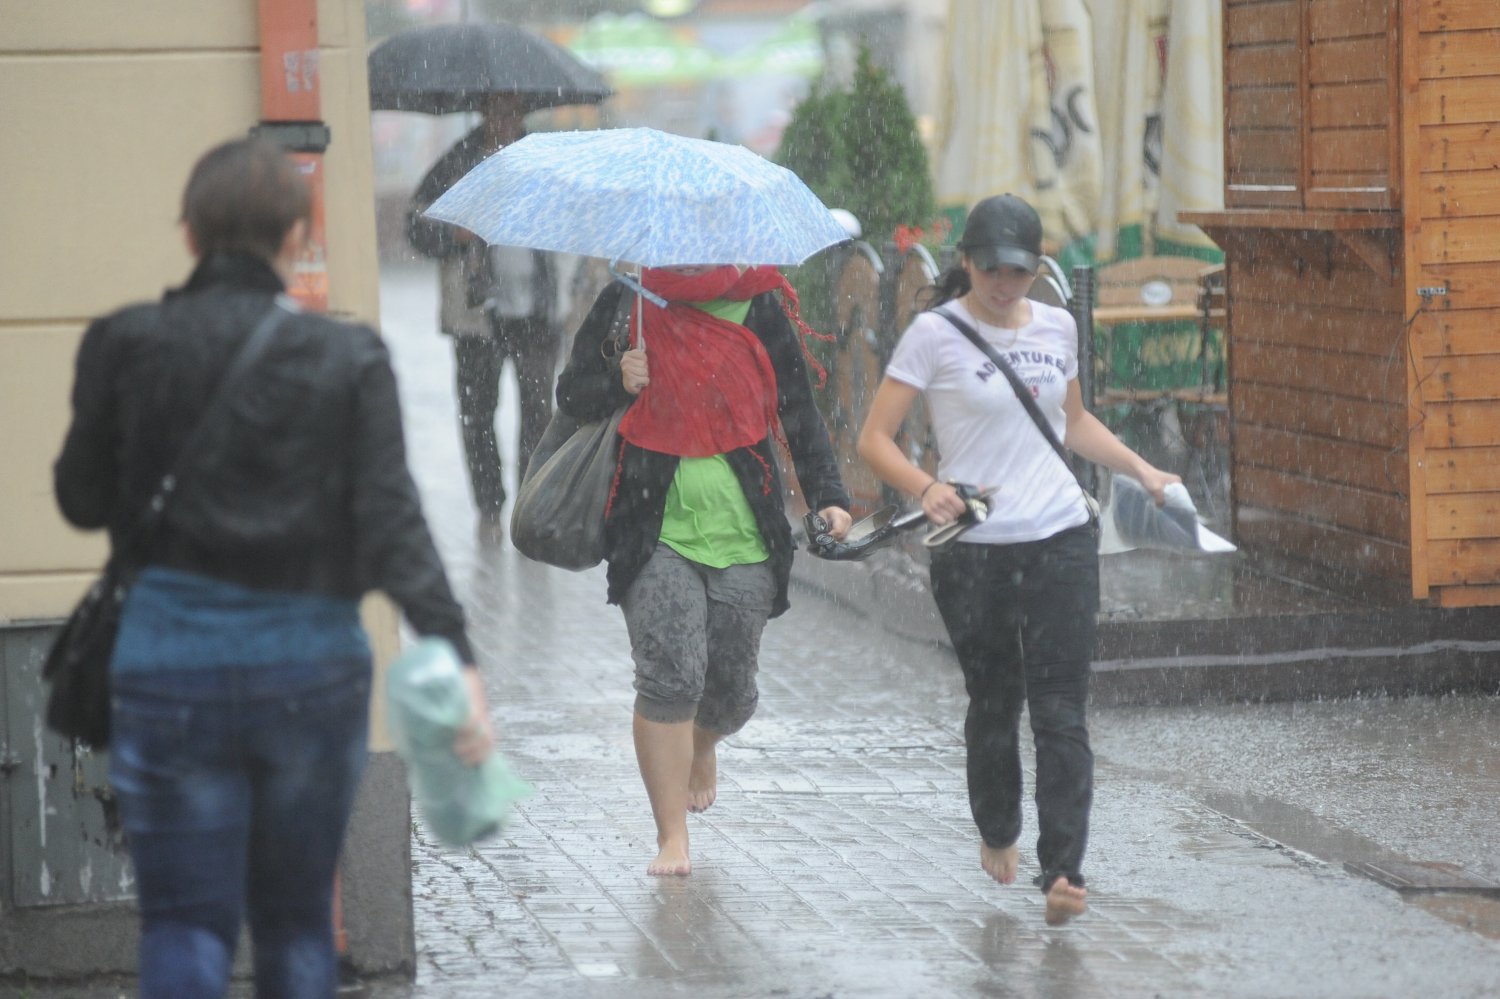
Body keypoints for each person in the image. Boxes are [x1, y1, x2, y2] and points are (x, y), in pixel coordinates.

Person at [53, 137, 494, 996]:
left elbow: (80, 499)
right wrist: (455, 654)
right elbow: (393, 522)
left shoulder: (123, 343)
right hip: (308, 668)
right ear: (298, 236)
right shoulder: (347, 357)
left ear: (190, 235)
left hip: (167, 667)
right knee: (297, 923)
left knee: (182, 921)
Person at [856, 194, 1180, 926]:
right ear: (966, 262)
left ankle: (1063, 868)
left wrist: (1142, 470)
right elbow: (874, 439)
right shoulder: (934, 335)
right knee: (996, 701)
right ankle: (997, 824)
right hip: (974, 553)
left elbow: (1073, 422)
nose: (1006, 284)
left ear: (1037, 269)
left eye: (1021, 271)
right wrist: (928, 486)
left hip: (1061, 537)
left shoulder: (1058, 325)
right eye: (993, 269)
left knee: (1062, 710)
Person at [556, 264, 853, 876]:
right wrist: (618, 379)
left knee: (731, 691)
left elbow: (798, 407)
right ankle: (672, 837)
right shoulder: (628, 299)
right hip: (652, 524)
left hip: (746, 525)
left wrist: (830, 494)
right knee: (670, 676)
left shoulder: (759, 304)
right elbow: (571, 394)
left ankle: (704, 742)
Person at [407, 93, 559, 535]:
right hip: (477, 314)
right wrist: (453, 234)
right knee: (477, 412)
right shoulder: (456, 163)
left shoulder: (543, 160)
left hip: (536, 309)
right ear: (482, 112)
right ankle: (489, 506)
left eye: (513, 109)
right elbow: (415, 227)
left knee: (538, 412)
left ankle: (531, 506)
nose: (504, 118)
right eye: (496, 109)